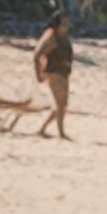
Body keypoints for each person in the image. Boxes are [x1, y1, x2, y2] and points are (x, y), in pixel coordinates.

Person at [32, 12, 75, 140]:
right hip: (54, 72)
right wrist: (38, 73)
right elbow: (37, 54)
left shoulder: (64, 37)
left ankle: (42, 129)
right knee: (60, 104)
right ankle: (60, 132)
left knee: (62, 104)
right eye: (64, 23)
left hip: (63, 72)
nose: (67, 25)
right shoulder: (51, 37)